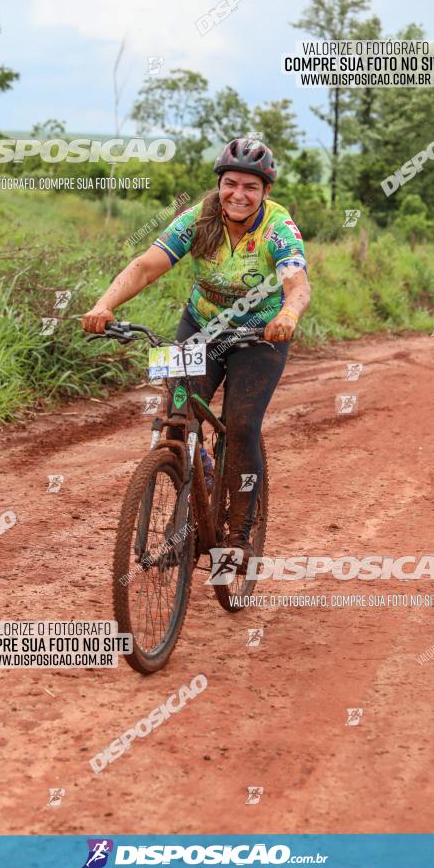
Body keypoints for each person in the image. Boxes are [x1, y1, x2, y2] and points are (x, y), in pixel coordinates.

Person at [82, 138, 311, 572]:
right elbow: (147, 265)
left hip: (260, 335)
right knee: (177, 415)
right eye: (230, 184)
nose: (238, 195)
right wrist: (103, 305)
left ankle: (239, 537)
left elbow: (297, 284)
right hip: (200, 327)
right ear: (219, 184)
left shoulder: (279, 229)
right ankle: (195, 488)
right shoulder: (199, 218)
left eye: (250, 187)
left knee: (241, 425)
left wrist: (288, 313)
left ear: (265, 192)